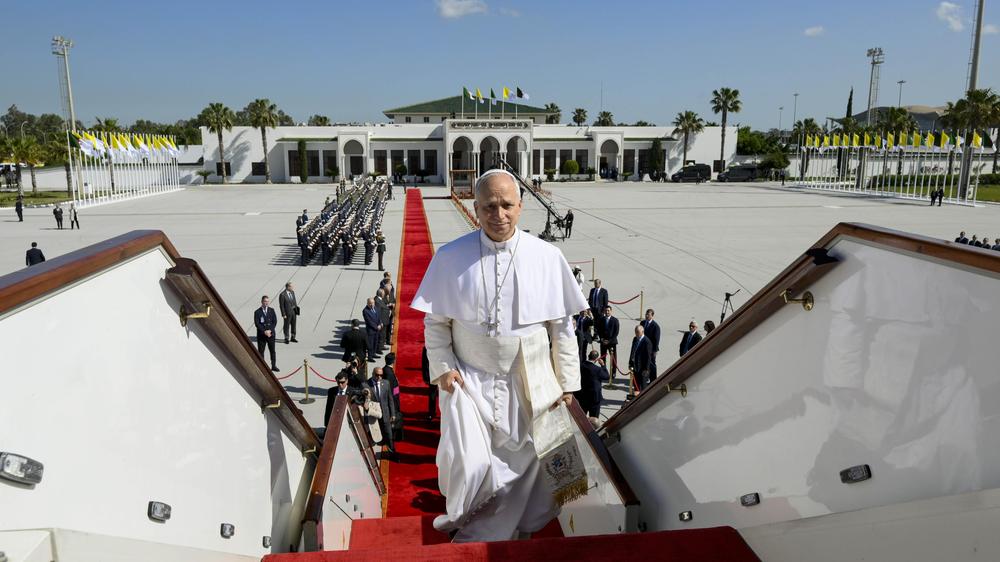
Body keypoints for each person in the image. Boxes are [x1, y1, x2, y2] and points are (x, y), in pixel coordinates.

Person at [411, 168, 587, 542]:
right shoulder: (450, 257)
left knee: (525, 469)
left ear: (521, 206)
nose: (499, 214)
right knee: (472, 466)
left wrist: (568, 383)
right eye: (489, 205)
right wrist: (443, 369)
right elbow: (436, 324)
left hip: (530, 384)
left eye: (507, 204)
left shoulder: (547, 257)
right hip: (470, 382)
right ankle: (478, 533)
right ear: (476, 208)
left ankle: (506, 537)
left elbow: (562, 329)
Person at [575, 350, 610, 427]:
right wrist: (603, 365)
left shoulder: (581, 366)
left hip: (582, 396)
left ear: (588, 356)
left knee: (581, 416)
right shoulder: (597, 369)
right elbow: (607, 376)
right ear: (596, 359)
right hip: (594, 398)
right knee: (594, 419)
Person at [368, 367, 397, 458]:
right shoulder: (366, 385)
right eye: (377, 375)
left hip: (385, 415)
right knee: (373, 436)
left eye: (381, 375)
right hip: (373, 416)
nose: (379, 377)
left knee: (389, 435)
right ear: (373, 374)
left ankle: (392, 454)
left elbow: (390, 400)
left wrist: (393, 414)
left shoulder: (386, 383)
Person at [254, 296, 279, 371]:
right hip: (262, 335)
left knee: (272, 351)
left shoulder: (272, 310)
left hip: (271, 334)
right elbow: (257, 324)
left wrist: (270, 330)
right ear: (262, 302)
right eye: (265, 301)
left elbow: (274, 322)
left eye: (267, 301)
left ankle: (273, 366)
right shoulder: (257, 312)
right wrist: (264, 331)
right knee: (261, 351)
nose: (266, 303)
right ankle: (262, 367)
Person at [628, 325, 653, 391]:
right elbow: (632, 351)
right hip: (635, 367)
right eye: (635, 332)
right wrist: (630, 362)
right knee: (635, 385)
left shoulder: (647, 342)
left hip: (642, 369)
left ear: (642, 332)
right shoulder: (635, 339)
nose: (636, 333)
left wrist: (646, 369)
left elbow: (648, 357)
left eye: (637, 332)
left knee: (642, 387)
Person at [598, 305, 620, 377]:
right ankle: (603, 371)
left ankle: (613, 372)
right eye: (606, 310)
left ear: (611, 311)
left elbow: (616, 332)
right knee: (603, 357)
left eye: (608, 310)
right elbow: (599, 330)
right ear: (604, 311)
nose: (607, 312)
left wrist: (609, 341)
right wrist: (602, 339)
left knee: (613, 358)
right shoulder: (601, 319)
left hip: (612, 343)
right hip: (603, 342)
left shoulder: (615, 320)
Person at [640, 309, 661, 380]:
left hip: (651, 349)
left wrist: (654, 351)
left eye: (648, 315)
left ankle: (653, 379)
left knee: (651, 364)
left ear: (652, 316)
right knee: (644, 363)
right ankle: (645, 377)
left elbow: (656, 340)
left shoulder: (655, 326)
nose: (646, 316)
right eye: (646, 314)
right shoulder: (642, 323)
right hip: (643, 347)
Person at [421, 346, 438, 420]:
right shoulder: (426, 348)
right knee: (432, 395)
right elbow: (424, 363)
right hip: (432, 375)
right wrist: (425, 377)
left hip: (442, 373)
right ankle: (432, 412)